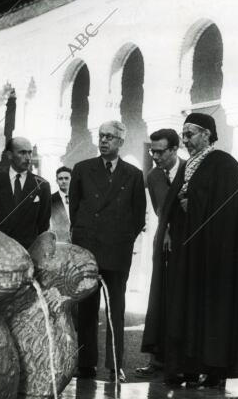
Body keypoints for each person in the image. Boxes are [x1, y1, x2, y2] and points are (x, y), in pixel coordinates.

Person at [158, 113, 238, 388]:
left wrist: (192, 205)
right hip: (188, 254)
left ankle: (215, 369)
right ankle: (188, 367)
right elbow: (175, 203)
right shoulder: (189, 164)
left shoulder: (225, 164)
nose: (185, 140)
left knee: (212, 311)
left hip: (215, 256)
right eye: (183, 135)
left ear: (207, 134)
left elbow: (233, 209)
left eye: (190, 134)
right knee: (185, 308)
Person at [69, 120, 146, 383]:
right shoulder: (82, 169)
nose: (103, 141)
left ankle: (115, 365)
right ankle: (86, 364)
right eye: (101, 136)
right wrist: (84, 238)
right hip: (88, 251)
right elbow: (75, 209)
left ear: (120, 142)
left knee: (116, 311)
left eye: (110, 137)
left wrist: (122, 241)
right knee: (86, 311)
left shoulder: (134, 175)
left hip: (117, 253)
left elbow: (138, 217)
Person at [138, 128, 185, 378]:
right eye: (152, 151)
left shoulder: (190, 170)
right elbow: (159, 210)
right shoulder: (153, 176)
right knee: (159, 297)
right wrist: (165, 229)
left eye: (160, 151)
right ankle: (158, 360)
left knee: (182, 300)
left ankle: (183, 362)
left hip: (187, 244)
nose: (155, 156)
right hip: (164, 243)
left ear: (175, 149)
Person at [0, 137, 51, 249]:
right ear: (9, 155)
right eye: (22, 153)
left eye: (29, 153)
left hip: (28, 251)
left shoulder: (42, 186)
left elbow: (43, 224)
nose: (28, 158)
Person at [50, 166, 72, 242]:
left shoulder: (79, 198)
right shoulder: (50, 200)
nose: (63, 181)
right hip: (59, 242)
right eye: (60, 178)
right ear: (56, 181)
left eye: (66, 178)